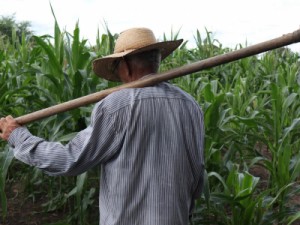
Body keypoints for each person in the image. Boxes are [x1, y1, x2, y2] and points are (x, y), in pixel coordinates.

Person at [0, 27, 205, 225]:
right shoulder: (190, 105)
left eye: (116, 68)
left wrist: (19, 137)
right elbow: (197, 175)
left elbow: (70, 160)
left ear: (126, 65)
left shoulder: (118, 105)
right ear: (157, 59)